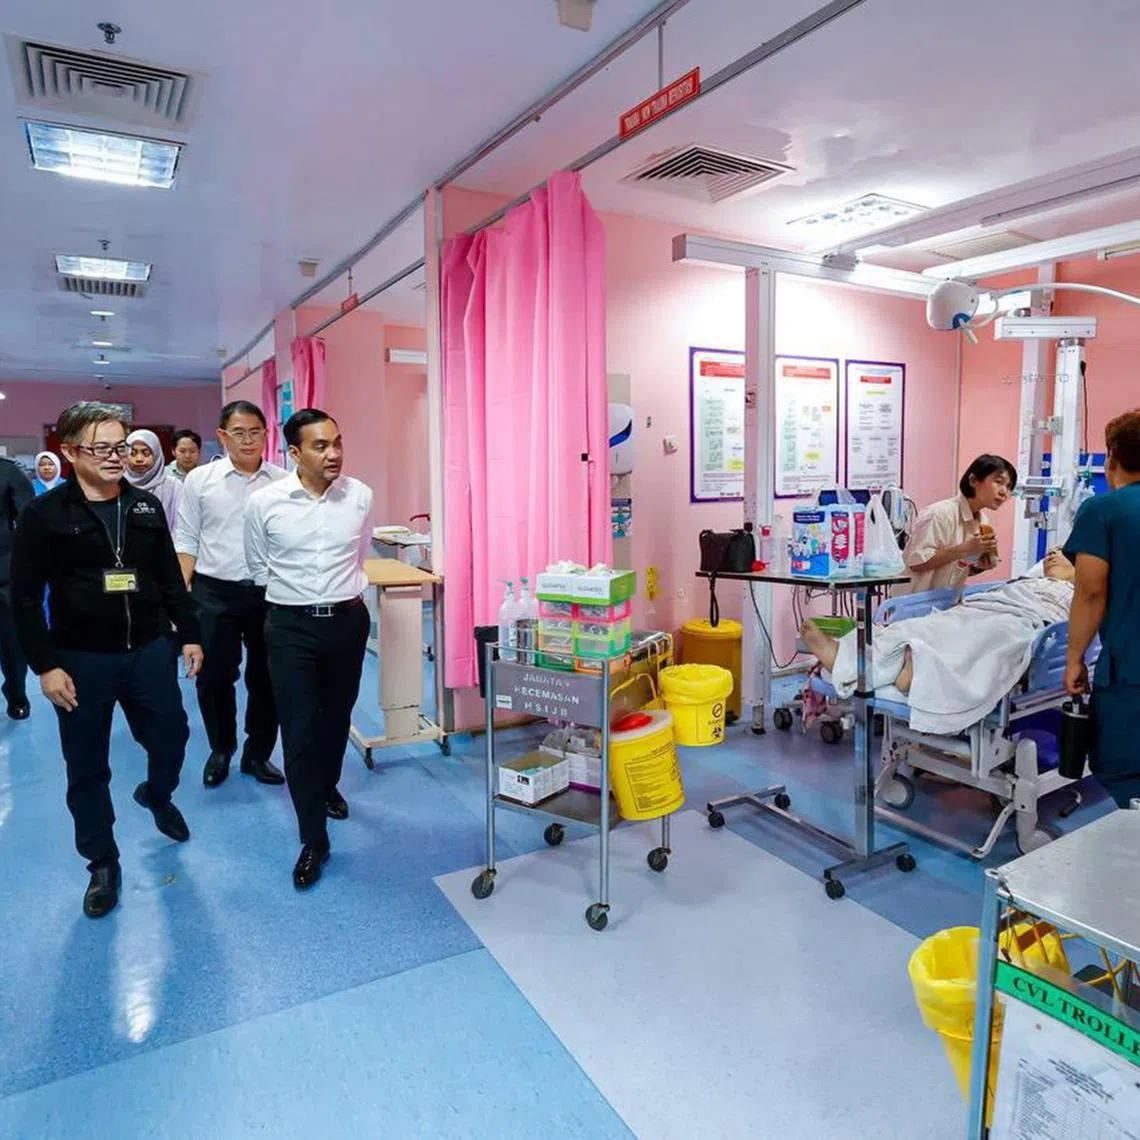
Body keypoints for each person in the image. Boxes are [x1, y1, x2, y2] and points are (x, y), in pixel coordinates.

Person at [9, 402, 203, 919]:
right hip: (79, 660)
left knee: (172, 736)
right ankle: (102, 862)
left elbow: (169, 578)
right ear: (70, 452)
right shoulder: (44, 515)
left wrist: (189, 635)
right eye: (102, 448)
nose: (117, 457)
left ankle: (157, 793)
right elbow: (24, 598)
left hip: (148, 651)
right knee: (87, 766)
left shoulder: (144, 507)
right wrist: (44, 666)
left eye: (121, 446)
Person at [245, 409, 372, 890]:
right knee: (299, 730)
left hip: (347, 622)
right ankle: (313, 838)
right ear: (295, 453)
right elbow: (259, 567)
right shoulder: (265, 503)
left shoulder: (359, 496)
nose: (333, 453)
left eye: (337, 442)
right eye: (320, 446)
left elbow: (358, 554)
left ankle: (328, 784)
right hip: (290, 626)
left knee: (337, 717)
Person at [802, 550, 1076, 735]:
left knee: (984, 638)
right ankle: (850, 655)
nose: (1052, 554)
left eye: (1061, 553)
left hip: (1020, 619)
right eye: (1050, 552)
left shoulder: (1078, 593)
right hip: (981, 608)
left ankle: (917, 669)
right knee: (923, 626)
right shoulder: (1023, 581)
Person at [175, 401, 285, 789]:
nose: (248, 440)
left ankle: (258, 754)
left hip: (269, 593)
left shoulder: (282, 481)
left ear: (266, 434)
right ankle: (221, 748)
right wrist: (179, 600)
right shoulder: (200, 480)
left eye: (255, 432)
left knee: (267, 676)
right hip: (213, 592)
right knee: (214, 677)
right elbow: (186, 538)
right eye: (239, 433)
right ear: (222, 436)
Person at [1064, 409, 1140, 809]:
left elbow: (1091, 593)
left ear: (1112, 457)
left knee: (1123, 771)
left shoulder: (1104, 511)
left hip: (1131, 670)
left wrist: (1074, 658)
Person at [902, 454, 1017, 594]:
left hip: (945, 600)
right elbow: (915, 563)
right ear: (973, 480)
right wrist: (963, 549)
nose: (1004, 492)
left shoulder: (983, 522)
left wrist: (979, 566)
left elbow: (956, 569)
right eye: (999, 482)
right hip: (912, 601)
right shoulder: (939, 514)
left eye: (1009, 486)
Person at [0, 456, 34, 720]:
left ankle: (16, 692)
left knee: (12, 644)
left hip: (4, 574)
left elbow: (29, 524)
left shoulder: (9, 472)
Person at [125, 429, 180, 531]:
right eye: (133, 453)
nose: (139, 459)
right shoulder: (117, 484)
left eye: (146, 453)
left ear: (157, 455)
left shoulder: (174, 486)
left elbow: (179, 526)